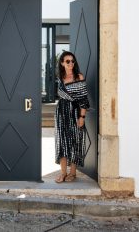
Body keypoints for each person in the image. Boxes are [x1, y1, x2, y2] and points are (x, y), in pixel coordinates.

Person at [55, 51, 90, 183]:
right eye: (68, 61)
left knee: (75, 141)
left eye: (72, 61)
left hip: (75, 113)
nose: (71, 63)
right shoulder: (60, 78)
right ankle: (63, 173)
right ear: (62, 63)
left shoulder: (78, 77)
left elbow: (83, 100)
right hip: (61, 114)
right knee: (62, 142)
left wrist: (82, 117)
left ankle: (73, 173)